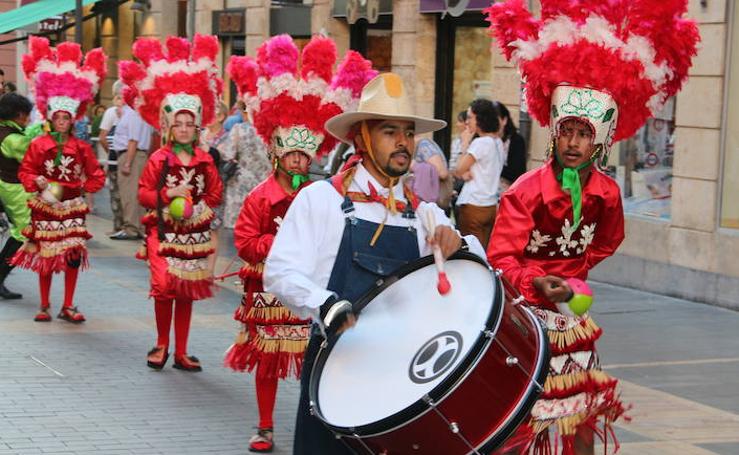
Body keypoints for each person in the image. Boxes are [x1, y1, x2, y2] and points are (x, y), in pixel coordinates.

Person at [485, 1, 699, 453]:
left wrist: (574, 276)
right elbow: (500, 259)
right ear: (554, 132)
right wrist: (538, 282)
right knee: (522, 423)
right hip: (523, 317)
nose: (573, 143)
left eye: (584, 134)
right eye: (566, 132)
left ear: (600, 140)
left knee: (581, 417)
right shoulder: (525, 190)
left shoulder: (608, 193)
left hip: (574, 315)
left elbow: (609, 240)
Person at [263, 73, 486, 455]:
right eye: (389, 131)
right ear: (362, 139)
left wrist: (459, 246)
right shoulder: (321, 200)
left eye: (408, 133)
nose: (403, 142)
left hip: (399, 376)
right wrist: (324, 303)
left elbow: (477, 273)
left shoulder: (425, 213)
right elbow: (280, 271)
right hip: (335, 369)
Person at [224, 35, 374, 452]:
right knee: (269, 361)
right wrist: (279, 245)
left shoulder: (324, 196)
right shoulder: (260, 196)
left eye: (303, 157)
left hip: (315, 291)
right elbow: (244, 240)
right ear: (276, 153)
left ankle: (322, 419)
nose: (297, 161)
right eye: (291, 155)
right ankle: (266, 425)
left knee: (319, 358)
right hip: (270, 290)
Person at [120, 34, 224, 372]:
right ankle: (161, 343)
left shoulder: (205, 160)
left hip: (193, 235)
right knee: (164, 287)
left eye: (188, 123)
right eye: (176, 123)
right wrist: (168, 197)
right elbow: (143, 194)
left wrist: (202, 207)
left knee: (187, 291)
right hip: (162, 233)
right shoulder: (159, 159)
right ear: (167, 126)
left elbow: (215, 193)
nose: (182, 128)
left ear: (196, 127)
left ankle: (181, 350)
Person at [13, 37, 107, 323]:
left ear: (72, 120)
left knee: (72, 255)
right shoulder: (40, 144)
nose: (63, 122)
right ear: (52, 119)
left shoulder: (80, 147)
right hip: (46, 206)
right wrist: (38, 183)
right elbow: (25, 171)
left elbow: (96, 173)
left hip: (72, 208)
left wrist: (82, 190)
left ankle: (68, 304)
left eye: (68, 118)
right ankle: (43, 305)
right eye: (59, 118)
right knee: (46, 255)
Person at [0, 93, 41, 299]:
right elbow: (33, 155)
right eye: (26, 115)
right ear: (18, 114)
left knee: (21, 232)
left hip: (10, 186)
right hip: (13, 188)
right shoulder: (12, 138)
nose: (28, 119)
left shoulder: (8, 131)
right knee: (22, 233)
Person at [453, 98, 506, 248]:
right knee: (484, 252)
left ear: (480, 119)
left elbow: (458, 168)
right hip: (490, 206)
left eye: (470, 117)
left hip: (474, 205)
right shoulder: (498, 143)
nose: (467, 122)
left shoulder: (481, 143)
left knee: (472, 253)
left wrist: (464, 143)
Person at [221, 107, 272, 229]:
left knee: (235, 234)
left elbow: (228, 154)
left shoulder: (238, 129)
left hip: (240, 186)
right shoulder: (271, 131)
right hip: (264, 185)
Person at [110, 103, 153, 240]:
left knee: (129, 193)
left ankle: (131, 228)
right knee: (136, 193)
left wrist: (128, 162)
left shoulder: (134, 114)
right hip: (138, 155)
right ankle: (138, 226)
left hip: (131, 155)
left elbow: (133, 139)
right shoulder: (139, 112)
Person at [199, 100, 229, 272]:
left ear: (221, 117)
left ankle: (209, 269)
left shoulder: (226, 136)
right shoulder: (201, 134)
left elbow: (221, 158)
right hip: (197, 186)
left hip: (216, 186)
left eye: (214, 113)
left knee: (212, 228)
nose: (209, 117)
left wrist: (207, 150)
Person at [98, 84, 125, 234]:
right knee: (122, 194)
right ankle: (121, 226)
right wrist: (112, 152)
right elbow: (103, 137)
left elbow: (103, 137)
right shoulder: (112, 112)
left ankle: (119, 226)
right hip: (121, 159)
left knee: (116, 194)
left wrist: (112, 152)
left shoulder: (112, 112)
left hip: (117, 159)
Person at [496, 102, 527, 191]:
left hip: (507, 191)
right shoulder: (484, 139)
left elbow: (517, 173)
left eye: (495, 120)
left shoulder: (516, 140)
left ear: (504, 120)